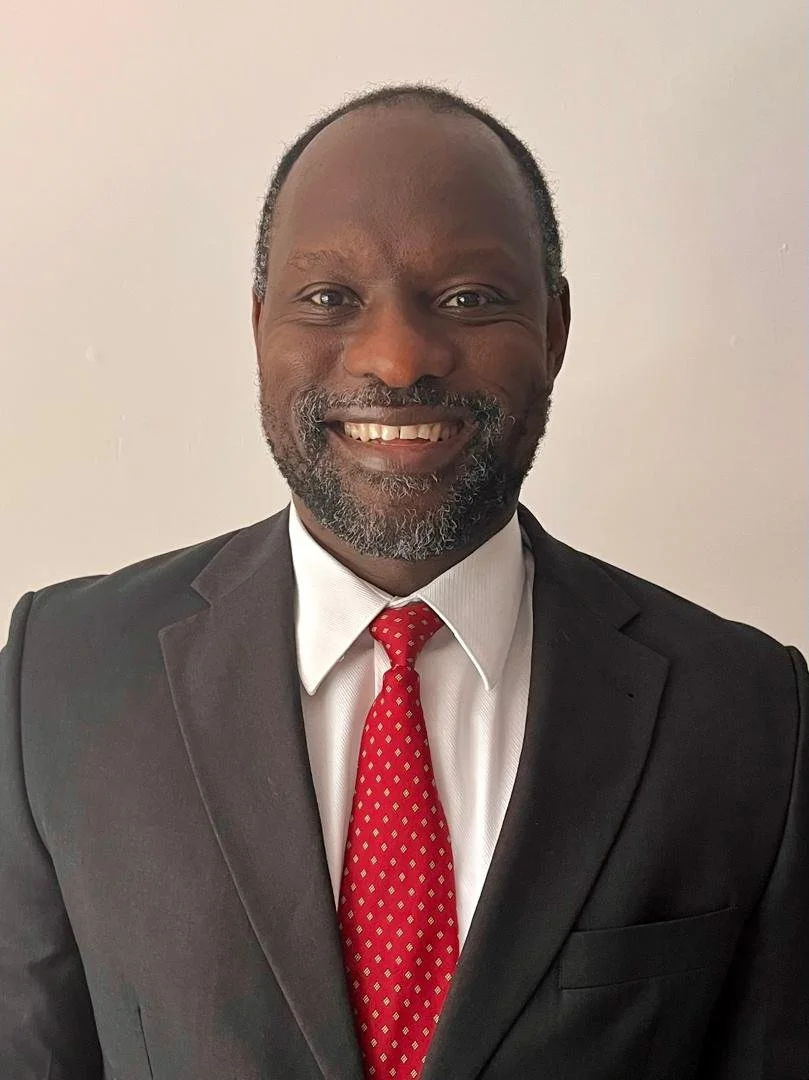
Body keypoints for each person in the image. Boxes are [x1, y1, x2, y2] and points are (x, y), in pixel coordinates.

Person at [0, 84, 806, 1080]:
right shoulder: (63, 680)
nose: (395, 357)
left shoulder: (746, 714)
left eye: (468, 299)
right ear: (259, 327)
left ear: (553, 329)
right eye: (330, 298)